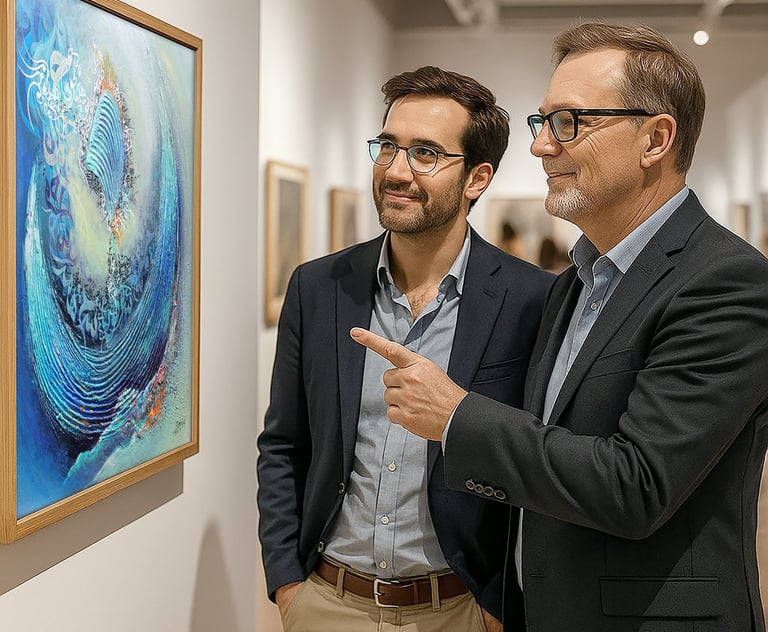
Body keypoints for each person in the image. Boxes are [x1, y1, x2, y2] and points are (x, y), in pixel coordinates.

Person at [351, 23, 768, 632]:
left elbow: (637, 485)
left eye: (568, 123)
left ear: (656, 138)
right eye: (541, 123)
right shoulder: (577, 281)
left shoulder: (726, 282)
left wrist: (457, 415)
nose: (542, 146)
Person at [256, 66, 553, 632]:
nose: (395, 171)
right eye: (388, 146)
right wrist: (287, 585)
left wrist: (496, 608)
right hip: (327, 603)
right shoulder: (318, 288)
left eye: (425, 153)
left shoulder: (530, 299)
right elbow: (283, 445)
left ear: (477, 177)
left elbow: (534, 459)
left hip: (460, 609)